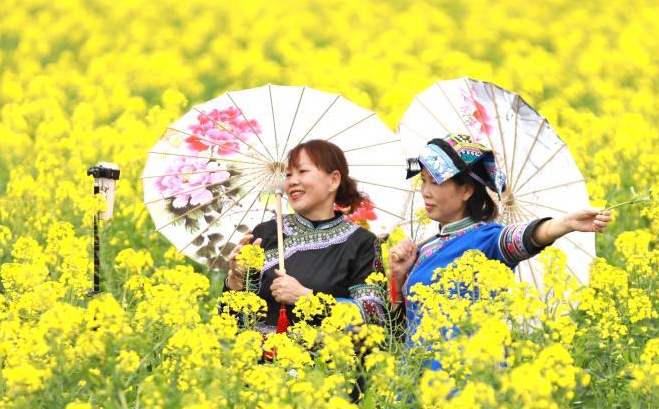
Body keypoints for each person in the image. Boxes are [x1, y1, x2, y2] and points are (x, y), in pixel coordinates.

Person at [388, 132, 611, 340]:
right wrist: (398, 277)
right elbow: (400, 337)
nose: (425, 191)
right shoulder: (425, 250)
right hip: (420, 378)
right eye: (423, 181)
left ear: (466, 190)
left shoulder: (487, 239)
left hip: (468, 374)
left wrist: (565, 224)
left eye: (435, 182)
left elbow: (523, 238)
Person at [223, 139, 386, 334]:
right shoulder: (264, 234)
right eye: (288, 174)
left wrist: (306, 298)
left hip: (323, 363)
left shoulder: (362, 243)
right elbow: (230, 323)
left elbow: (375, 318)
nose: (291, 181)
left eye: (302, 171)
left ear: (333, 180)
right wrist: (235, 281)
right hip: (258, 361)